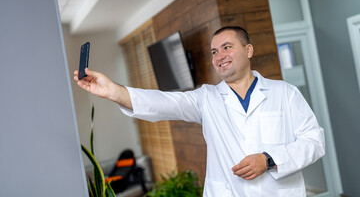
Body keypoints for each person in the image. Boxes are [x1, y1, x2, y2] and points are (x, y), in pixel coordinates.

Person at [74, 26, 325, 197]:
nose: (219, 56)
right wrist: (112, 91)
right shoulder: (207, 98)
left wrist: (269, 160)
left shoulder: (285, 93)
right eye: (214, 51)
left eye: (227, 47)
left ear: (248, 50)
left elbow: (314, 142)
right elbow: (164, 103)